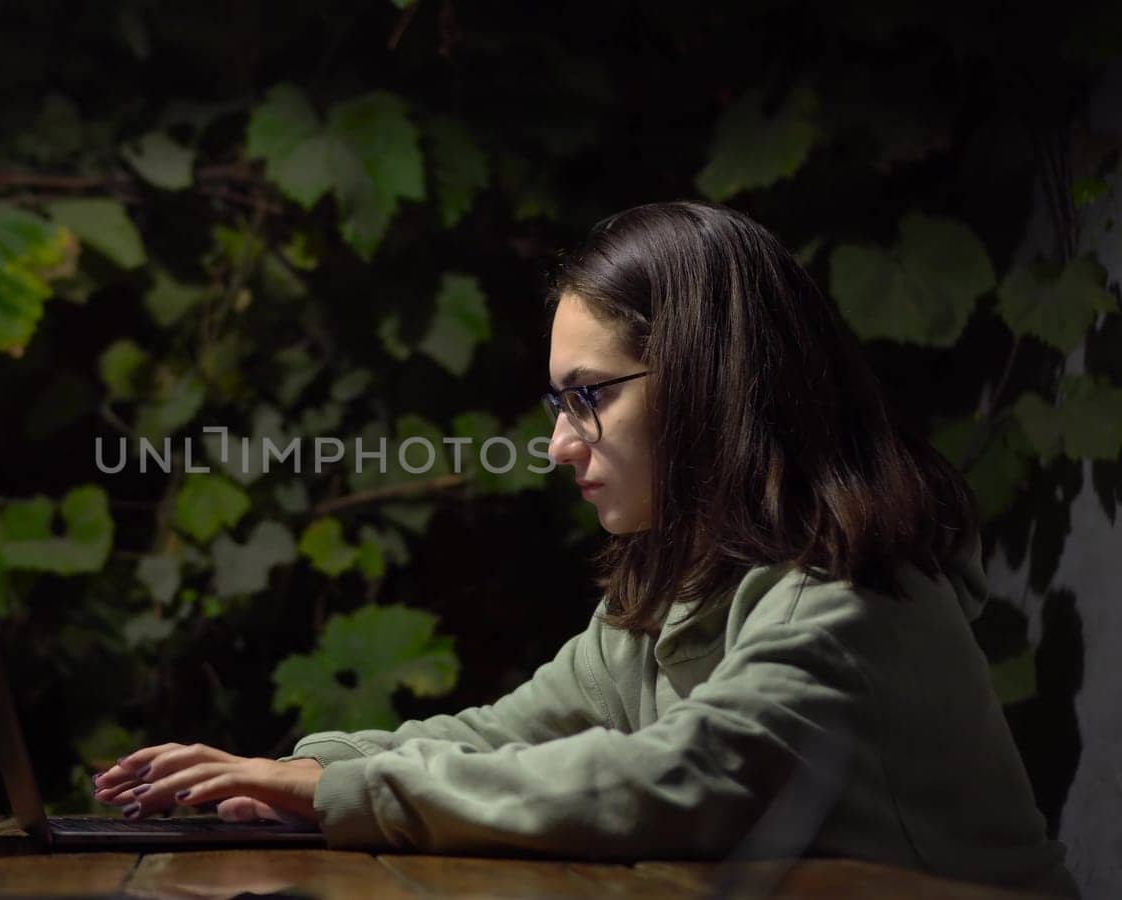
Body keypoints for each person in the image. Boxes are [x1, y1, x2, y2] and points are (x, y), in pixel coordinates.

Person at [91, 200, 1079, 897]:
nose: (559, 444)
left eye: (587, 397)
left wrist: (335, 791)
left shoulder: (852, 597)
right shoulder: (681, 591)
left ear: (708, 378)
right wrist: (283, 773)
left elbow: (683, 778)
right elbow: (510, 734)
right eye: (556, 405)